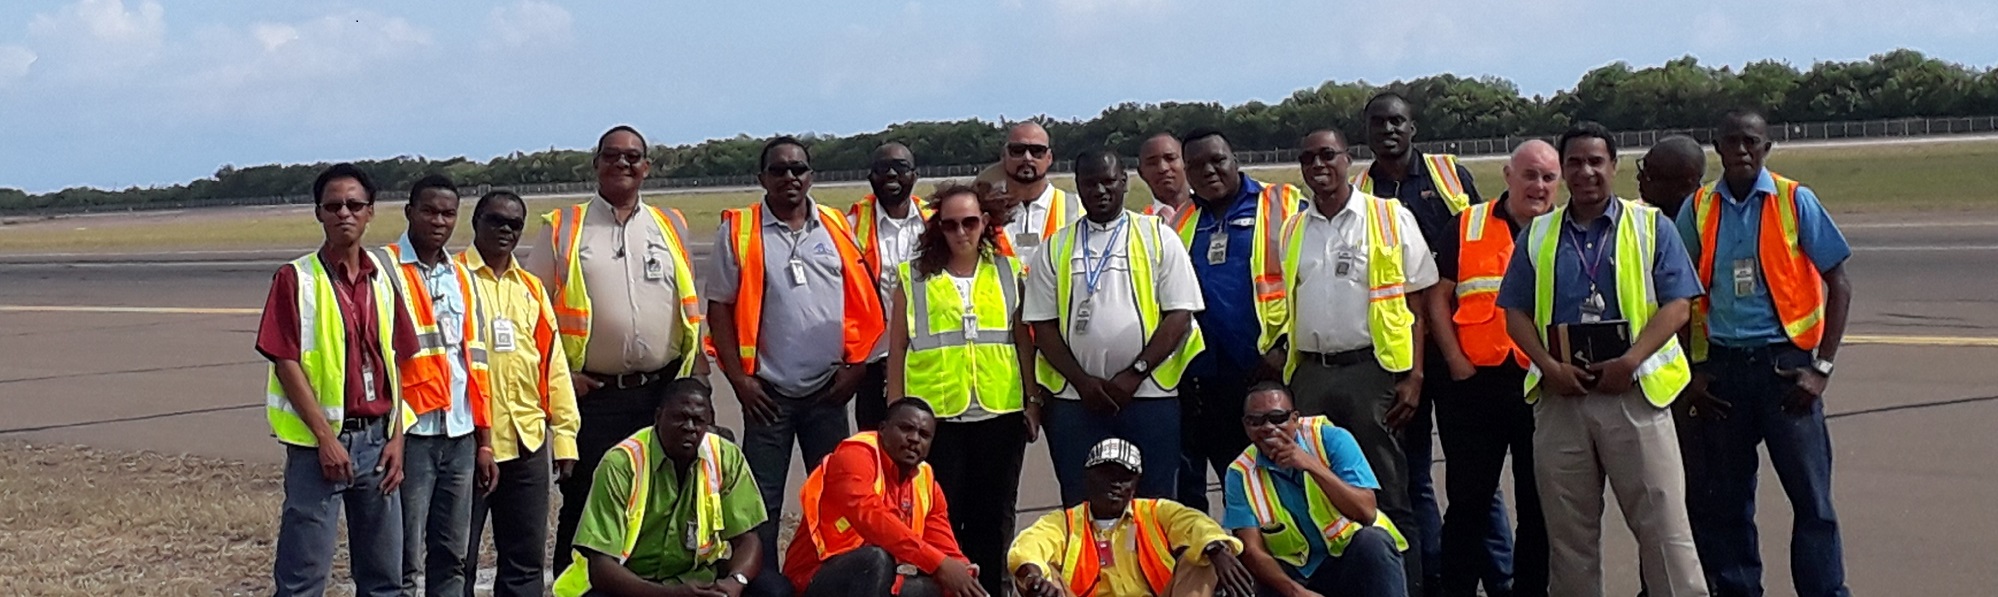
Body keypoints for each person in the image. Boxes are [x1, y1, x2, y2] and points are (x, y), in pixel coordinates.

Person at [1496, 122, 1708, 596]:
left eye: (1597, 162)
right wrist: (1549, 368)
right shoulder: (1539, 235)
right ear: (1563, 171)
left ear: (1613, 167)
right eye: (1575, 162)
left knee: (1665, 532)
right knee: (1570, 542)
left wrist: (1630, 361)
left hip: (1634, 396)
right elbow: (1514, 314)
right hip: (1563, 399)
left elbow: (1678, 306)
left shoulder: (1651, 226)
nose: (1586, 172)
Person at [1678, 109, 1853, 597]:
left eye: (1751, 142)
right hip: (1723, 373)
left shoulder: (1796, 201)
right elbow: (1675, 295)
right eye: (1731, 141)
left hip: (1786, 373)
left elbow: (1839, 284)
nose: (1741, 150)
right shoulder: (1697, 209)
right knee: (1728, 505)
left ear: (1767, 147)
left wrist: (1821, 368)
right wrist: (1693, 371)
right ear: (1716, 147)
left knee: (1813, 502)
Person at [525, 125, 707, 574]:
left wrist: (695, 377)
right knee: (586, 500)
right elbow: (532, 316)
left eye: (632, 157)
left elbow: (686, 308)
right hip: (596, 395)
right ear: (596, 165)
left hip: (661, 392)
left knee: (657, 497)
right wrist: (562, 380)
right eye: (612, 156)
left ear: (646, 167)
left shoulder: (670, 225)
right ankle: (575, 585)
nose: (622, 164)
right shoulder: (564, 228)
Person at [1262, 129, 1436, 594]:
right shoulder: (1293, 227)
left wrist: (1415, 375)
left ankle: (1408, 586)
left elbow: (1418, 303)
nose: (1318, 165)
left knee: (1389, 492)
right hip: (1313, 374)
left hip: (1372, 373)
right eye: (1308, 157)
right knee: (1322, 490)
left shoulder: (1387, 216)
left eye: (1328, 155)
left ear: (1347, 159)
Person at [709, 136, 885, 578]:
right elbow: (720, 309)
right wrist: (739, 380)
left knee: (834, 494)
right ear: (761, 178)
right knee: (761, 500)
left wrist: (857, 367)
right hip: (768, 393)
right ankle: (763, 583)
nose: (790, 177)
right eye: (779, 170)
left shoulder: (835, 225)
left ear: (811, 175)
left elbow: (863, 299)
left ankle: (827, 577)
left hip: (829, 391)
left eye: (798, 169)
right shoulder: (740, 230)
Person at [1353, 92, 1496, 594]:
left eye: (1398, 122)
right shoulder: (1359, 190)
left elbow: (1483, 241)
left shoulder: (1450, 175)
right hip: (1399, 354)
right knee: (1413, 476)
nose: (1388, 130)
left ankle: (1499, 576)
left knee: (1475, 478)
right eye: (1378, 123)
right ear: (1366, 131)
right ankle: (1434, 577)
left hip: (1458, 346)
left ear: (1413, 127)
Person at [258, 163, 418, 597]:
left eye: (354, 205)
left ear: (370, 212)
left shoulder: (384, 277)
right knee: (302, 578)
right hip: (318, 450)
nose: (343, 213)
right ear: (318, 214)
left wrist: (398, 437)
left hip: (378, 443)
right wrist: (326, 439)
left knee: (385, 578)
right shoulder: (296, 278)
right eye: (332, 206)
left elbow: (397, 362)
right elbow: (284, 361)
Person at [1421, 141, 1560, 597]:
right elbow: (1439, 296)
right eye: (1529, 175)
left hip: (1540, 385)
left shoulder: (1565, 228)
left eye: (1547, 177)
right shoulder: (1467, 224)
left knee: (1537, 506)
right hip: (1475, 385)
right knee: (1467, 503)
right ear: (1507, 174)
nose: (1538, 186)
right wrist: (1454, 359)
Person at [1028, 150, 1205, 505]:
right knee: (1081, 502)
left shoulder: (1158, 236)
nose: (1100, 190)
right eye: (1090, 183)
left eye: (1109, 181)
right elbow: (1042, 325)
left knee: (1155, 502)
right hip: (1076, 400)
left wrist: (1135, 374)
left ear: (1124, 182)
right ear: (1078, 187)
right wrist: (1082, 382)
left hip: (1150, 394)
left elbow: (1179, 315)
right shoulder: (1055, 247)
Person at [887, 183, 1036, 595]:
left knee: (994, 516)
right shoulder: (914, 277)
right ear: (939, 228)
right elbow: (897, 347)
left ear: (985, 222)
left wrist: (1032, 400)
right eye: (950, 225)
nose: (961, 233)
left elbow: (1022, 339)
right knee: (942, 515)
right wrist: (895, 411)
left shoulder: (1008, 271)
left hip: (999, 412)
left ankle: (990, 588)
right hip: (938, 417)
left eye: (970, 222)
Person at [1165, 129, 1306, 512]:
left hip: (1267, 373)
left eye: (1217, 160)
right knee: (1218, 489)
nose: (1208, 171)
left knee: (1274, 486)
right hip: (1202, 380)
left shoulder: (1283, 204)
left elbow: (1309, 281)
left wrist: (1282, 349)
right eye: (1195, 165)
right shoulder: (1179, 223)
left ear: (1235, 159)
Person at [459, 190, 582, 597]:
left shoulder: (530, 288)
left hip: (527, 442)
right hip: (470, 443)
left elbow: (554, 366)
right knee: (459, 559)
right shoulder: (452, 278)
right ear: (476, 222)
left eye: (514, 224)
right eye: (496, 220)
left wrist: (565, 436)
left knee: (525, 563)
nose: (505, 230)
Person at [552, 379, 771, 597]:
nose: (689, 427)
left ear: (709, 424)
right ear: (658, 417)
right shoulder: (622, 463)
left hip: (697, 579)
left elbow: (747, 540)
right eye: (680, 417)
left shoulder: (724, 456)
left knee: (773, 589)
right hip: (633, 584)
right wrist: (670, 595)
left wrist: (735, 582)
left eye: (698, 420)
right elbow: (601, 567)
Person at [386, 174, 491, 597]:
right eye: (429, 211)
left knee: (453, 555)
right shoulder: (385, 268)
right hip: (413, 432)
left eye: (448, 213)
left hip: (460, 434)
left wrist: (484, 440)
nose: (439, 221)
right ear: (409, 212)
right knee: (404, 555)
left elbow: (476, 364)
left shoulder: (462, 276)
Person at [785, 399, 988, 597]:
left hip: (879, 581)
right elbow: (871, 517)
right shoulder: (855, 455)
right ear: (882, 429)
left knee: (954, 586)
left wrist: (965, 575)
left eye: (924, 435)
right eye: (906, 428)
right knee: (876, 559)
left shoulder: (926, 482)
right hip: (814, 578)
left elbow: (945, 548)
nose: (914, 439)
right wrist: (939, 563)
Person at [1224, 382, 1408, 597]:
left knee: (1373, 542)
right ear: (1245, 425)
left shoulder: (1331, 439)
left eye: (1277, 418)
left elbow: (1366, 512)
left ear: (1295, 418)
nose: (1267, 427)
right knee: (1249, 578)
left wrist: (1311, 465)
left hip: (1346, 561)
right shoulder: (1240, 472)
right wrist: (1295, 592)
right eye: (1256, 421)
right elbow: (1252, 551)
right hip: (1295, 574)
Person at [1010, 438, 1256, 597]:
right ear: (1087, 477)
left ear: (1136, 482)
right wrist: (1033, 576)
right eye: (1105, 473)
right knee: (1043, 581)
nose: (1115, 483)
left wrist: (1216, 548)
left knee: (1201, 558)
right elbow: (1029, 545)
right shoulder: (1064, 523)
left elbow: (1195, 523)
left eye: (1124, 476)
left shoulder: (1156, 512)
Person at [851, 142, 929, 432]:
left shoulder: (934, 223)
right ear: (871, 176)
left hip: (926, 356)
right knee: (875, 439)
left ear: (915, 175)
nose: (892, 175)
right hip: (873, 358)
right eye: (883, 169)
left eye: (901, 168)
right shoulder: (849, 225)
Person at [999, 122, 1083, 265]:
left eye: (1037, 150)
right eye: (1018, 150)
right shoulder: (984, 209)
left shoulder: (1077, 208)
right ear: (1003, 155)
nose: (1027, 157)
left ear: (1049, 158)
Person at [1637, 135, 1707, 219]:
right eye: (1644, 166)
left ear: (1684, 184)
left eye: (1651, 175)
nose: (1639, 177)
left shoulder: (1706, 222)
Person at [1138, 133, 1193, 222]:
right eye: (1152, 163)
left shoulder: (1210, 210)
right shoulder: (1140, 224)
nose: (1163, 168)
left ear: (1186, 162)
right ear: (1141, 173)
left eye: (1170, 158)